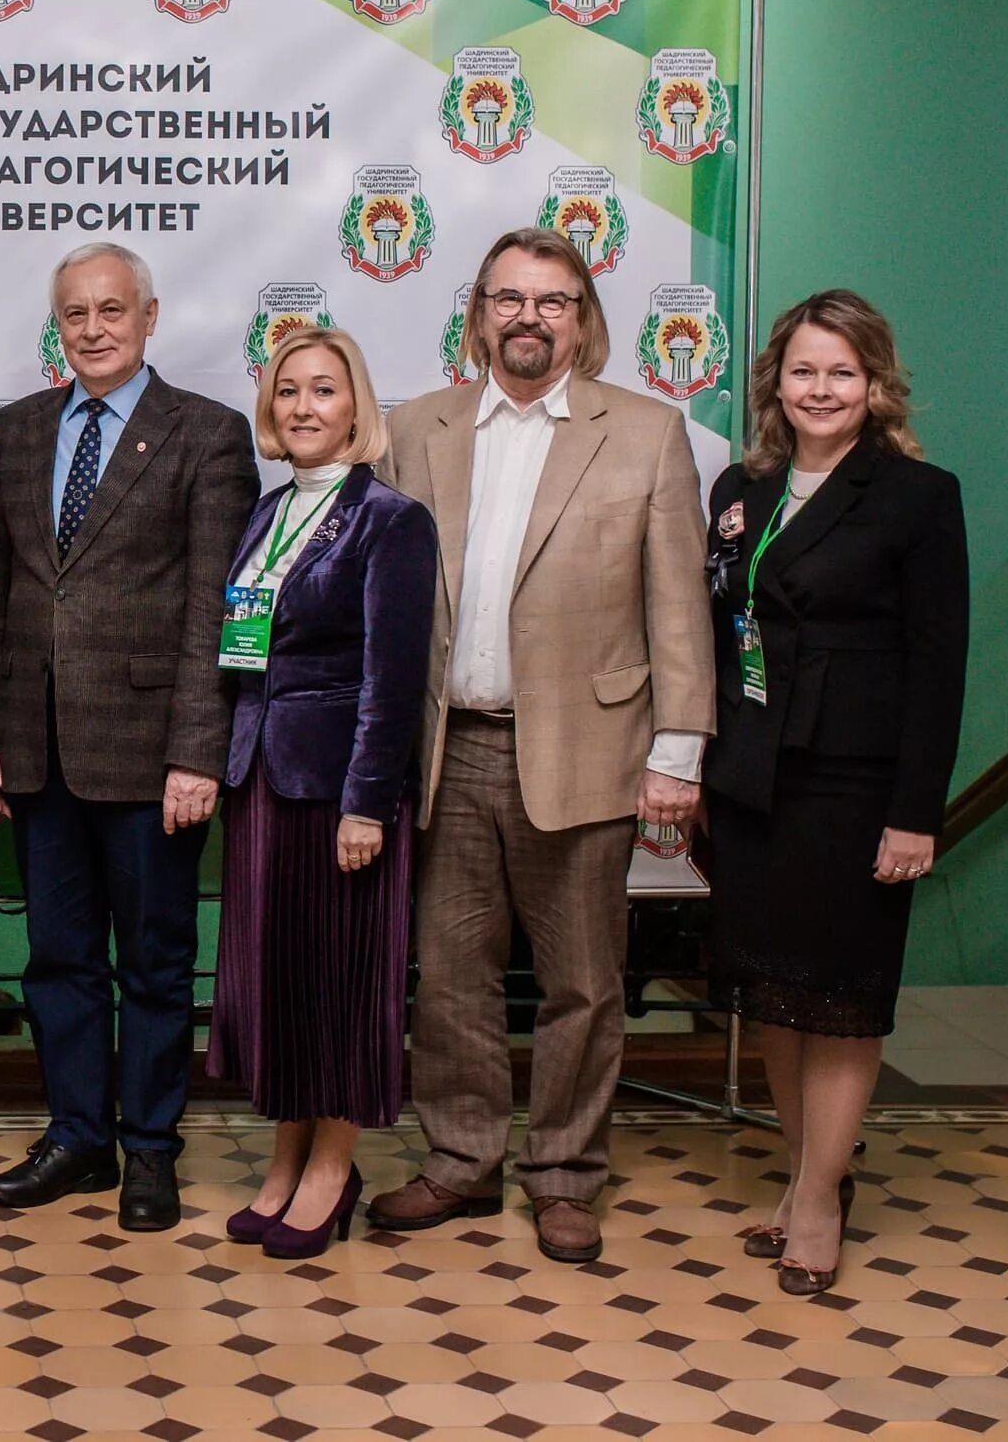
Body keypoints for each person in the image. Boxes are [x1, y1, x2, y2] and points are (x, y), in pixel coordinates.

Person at [368, 226, 714, 1264]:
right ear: (476, 316)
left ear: (583, 319)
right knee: (452, 975)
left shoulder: (649, 433)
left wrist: (677, 755)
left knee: (582, 985)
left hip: (588, 753)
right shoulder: (413, 428)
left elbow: (680, 613)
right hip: (447, 750)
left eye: (551, 301)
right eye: (508, 299)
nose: (527, 317)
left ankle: (564, 1175)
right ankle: (461, 1161)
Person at [0, 242, 259, 1232]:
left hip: (150, 755)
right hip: (39, 749)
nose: (91, 329)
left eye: (109, 311)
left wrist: (196, 747)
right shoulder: (16, 431)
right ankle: (77, 1138)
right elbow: (3, 599)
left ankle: (149, 1150)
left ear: (147, 317)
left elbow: (210, 608)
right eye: (73, 315)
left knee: (150, 962)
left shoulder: (206, 434)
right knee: (56, 959)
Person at [702, 291, 966, 1297]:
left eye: (841, 373)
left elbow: (939, 663)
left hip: (856, 784)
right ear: (776, 379)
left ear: (875, 386)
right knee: (773, 989)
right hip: (752, 777)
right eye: (803, 370)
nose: (819, 389)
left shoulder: (917, 495)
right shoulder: (740, 486)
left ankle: (818, 1197)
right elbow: (719, 625)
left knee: (843, 999)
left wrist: (915, 811)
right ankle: (803, 1168)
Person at [208, 326, 434, 1259]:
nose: (305, 406)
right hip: (263, 782)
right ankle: (285, 1156)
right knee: (283, 979)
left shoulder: (391, 519)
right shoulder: (266, 512)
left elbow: (393, 676)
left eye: (325, 391)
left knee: (342, 979)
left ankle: (333, 1169)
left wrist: (366, 802)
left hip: (342, 791)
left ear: (357, 407)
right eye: (289, 390)